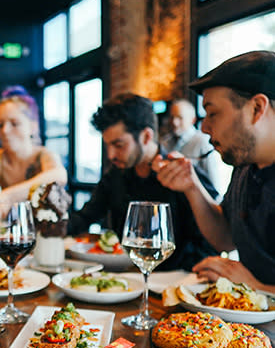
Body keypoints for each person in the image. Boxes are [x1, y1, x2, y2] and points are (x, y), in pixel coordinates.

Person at [153, 50, 275, 292]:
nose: (205, 128)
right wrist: (191, 185)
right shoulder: (244, 167)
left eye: (213, 113)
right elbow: (225, 238)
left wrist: (255, 287)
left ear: (257, 108)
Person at [69, 93, 218, 271]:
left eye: (119, 145)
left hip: (174, 284)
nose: (110, 155)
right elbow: (85, 217)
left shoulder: (183, 175)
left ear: (146, 136)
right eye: (107, 145)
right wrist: (51, 223)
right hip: (126, 279)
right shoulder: (115, 176)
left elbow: (212, 242)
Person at [161, 98, 231, 196]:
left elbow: (213, 183)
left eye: (180, 118)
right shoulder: (165, 142)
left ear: (192, 120)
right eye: (172, 117)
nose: (174, 122)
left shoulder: (203, 142)